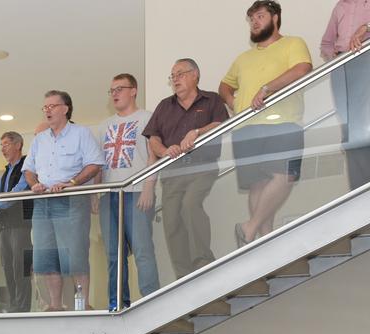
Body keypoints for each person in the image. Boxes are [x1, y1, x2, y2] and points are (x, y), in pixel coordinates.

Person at [220, 1, 313, 248]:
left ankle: (249, 228)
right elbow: (225, 85)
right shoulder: (243, 58)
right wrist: (233, 102)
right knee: (257, 183)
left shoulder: (293, 43)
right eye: (251, 18)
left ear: (275, 18)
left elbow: (303, 69)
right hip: (245, 128)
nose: (255, 21)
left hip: (283, 122)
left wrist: (267, 88)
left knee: (284, 177)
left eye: (260, 16)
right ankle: (265, 243)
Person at [143, 59, 230, 279]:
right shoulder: (164, 106)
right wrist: (164, 151)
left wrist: (197, 132)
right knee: (171, 219)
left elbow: (221, 123)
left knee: (191, 203)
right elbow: (153, 138)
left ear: (195, 75)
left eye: (180, 74)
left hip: (202, 166)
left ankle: (202, 260)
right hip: (172, 172)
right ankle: (183, 275)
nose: (175, 80)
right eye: (172, 76)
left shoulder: (212, 100)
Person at [23, 90, 104, 311]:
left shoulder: (81, 133)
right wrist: (33, 184)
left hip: (70, 199)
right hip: (43, 202)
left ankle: (82, 304)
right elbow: (28, 169)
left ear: (65, 109)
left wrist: (73, 182)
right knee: (46, 255)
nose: (47, 110)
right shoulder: (39, 140)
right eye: (45, 107)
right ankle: (55, 304)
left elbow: (95, 164)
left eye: (52, 106)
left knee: (75, 254)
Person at [96, 73, 159, 311]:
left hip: (137, 191)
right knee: (114, 254)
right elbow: (99, 163)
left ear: (133, 90)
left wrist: (149, 188)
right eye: (111, 90)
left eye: (119, 89)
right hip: (109, 194)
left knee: (142, 248)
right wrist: (96, 194)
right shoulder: (104, 126)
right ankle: (118, 303)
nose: (114, 94)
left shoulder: (147, 118)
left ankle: (152, 299)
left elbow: (154, 156)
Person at [0, 131, 34, 312]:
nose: (3, 149)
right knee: (8, 267)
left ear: (18, 145)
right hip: (5, 226)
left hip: (22, 224)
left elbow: (19, 191)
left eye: (6, 144)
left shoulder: (27, 166)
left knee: (21, 268)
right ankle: (14, 306)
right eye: (1, 145)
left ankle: (23, 307)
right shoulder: (4, 173)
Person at [321, 0, 370, 189]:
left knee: (364, 121)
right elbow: (326, 42)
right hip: (342, 65)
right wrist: (333, 57)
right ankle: (359, 189)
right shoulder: (340, 7)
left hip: (366, 57)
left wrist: (365, 27)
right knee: (349, 128)